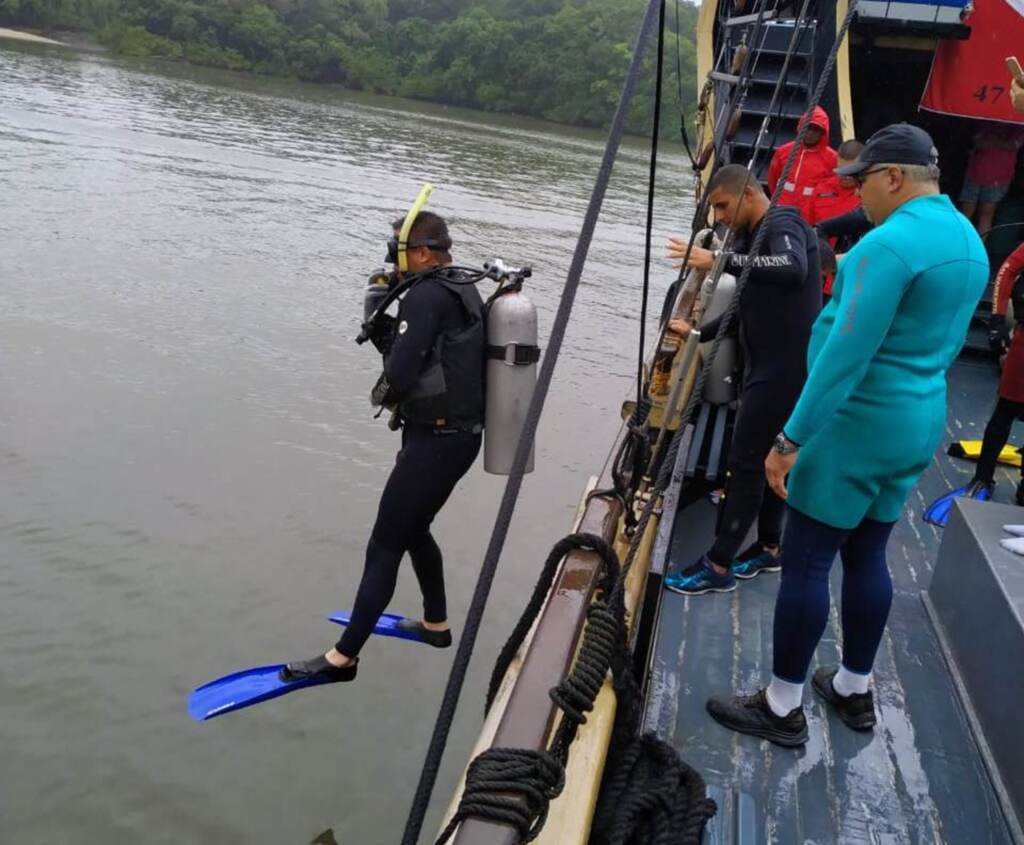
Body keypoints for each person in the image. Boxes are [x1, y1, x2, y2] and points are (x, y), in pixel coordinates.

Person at [704, 124, 988, 746]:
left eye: (861, 183)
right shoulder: (967, 238)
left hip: (856, 424)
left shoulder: (886, 248)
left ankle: (781, 706)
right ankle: (854, 689)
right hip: (917, 421)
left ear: (894, 177)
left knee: (806, 562)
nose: (857, 197)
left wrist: (789, 440)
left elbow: (843, 355)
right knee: (869, 557)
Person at [281, 211, 485, 684]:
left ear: (421, 253)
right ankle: (436, 624)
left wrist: (378, 324)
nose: (390, 261)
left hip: (437, 441)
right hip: (455, 437)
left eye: (395, 252)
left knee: (385, 541)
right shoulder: (461, 284)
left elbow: (399, 375)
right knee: (415, 529)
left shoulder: (427, 295)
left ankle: (342, 658)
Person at [663, 164, 821, 596]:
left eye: (722, 205)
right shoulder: (753, 240)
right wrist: (697, 334)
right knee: (768, 462)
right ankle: (770, 547)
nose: (719, 218)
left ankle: (717, 565)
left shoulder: (782, 221)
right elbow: (742, 313)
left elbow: (791, 268)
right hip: (766, 366)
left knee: (746, 464)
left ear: (749, 193)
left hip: (783, 370)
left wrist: (719, 259)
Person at [809, 139, 865, 298]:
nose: (846, 176)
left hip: (855, 279)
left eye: (851, 170)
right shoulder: (821, 190)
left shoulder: (871, 198)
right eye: (841, 170)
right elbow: (809, 226)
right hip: (821, 280)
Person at [767, 105, 837, 223]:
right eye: (808, 127)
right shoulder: (783, 152)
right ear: (800, 126)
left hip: (811, 218)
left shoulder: (832, 158)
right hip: (782, 212)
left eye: (815, 129)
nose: (810, 133)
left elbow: (833, 191)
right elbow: (772, 180)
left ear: (823, 132)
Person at [958, 123, 1024, 236]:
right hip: (976, 171)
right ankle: (960, 245)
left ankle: (976, 249)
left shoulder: (1017, 119)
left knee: (985, 214)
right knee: (966, 213)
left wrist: (992, 141)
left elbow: (1015, 144)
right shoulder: (988, 117)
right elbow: (976, 141)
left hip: (998, 176)